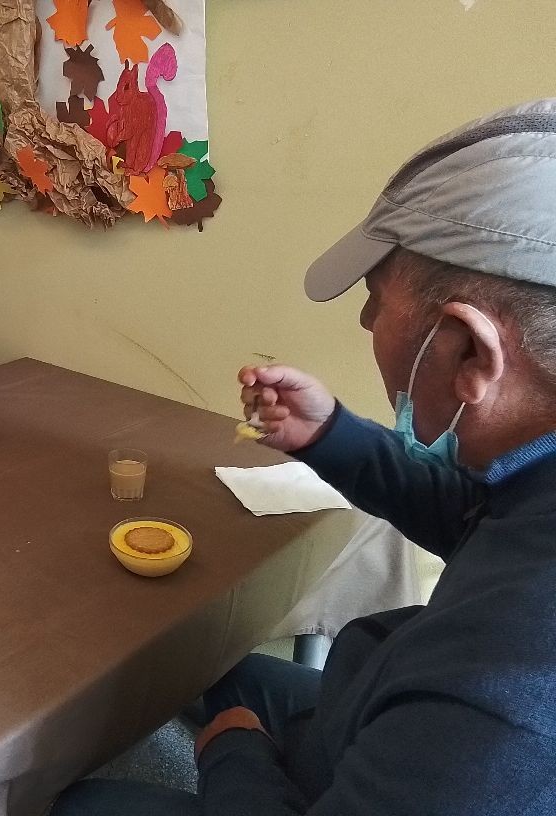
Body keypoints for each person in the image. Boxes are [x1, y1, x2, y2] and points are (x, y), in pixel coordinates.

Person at [52, 98, 556, 814]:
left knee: (81, 804)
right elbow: (472, 514)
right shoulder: (534, 483)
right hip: (369, 697)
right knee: (208, 668)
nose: (365, 319)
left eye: (377, 299)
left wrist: (235, 752)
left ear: (472, 350)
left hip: (373, 750)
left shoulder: (504, 700)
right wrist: (327, 434)